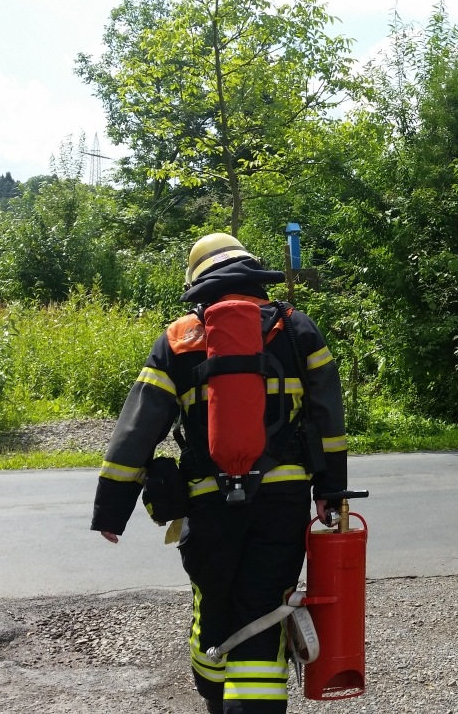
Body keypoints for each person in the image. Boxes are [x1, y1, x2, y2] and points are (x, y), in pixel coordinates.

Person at [90, 233, 348, 714]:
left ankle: (213, 693)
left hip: (209, 500)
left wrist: (112, 507)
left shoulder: (179, 338)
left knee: (214, 601)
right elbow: (328, 417)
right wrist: (330, 489)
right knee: (267, 605)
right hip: (283, 499)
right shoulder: (298, 329)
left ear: (199, 283)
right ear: (254, 270)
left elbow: (138, 429)